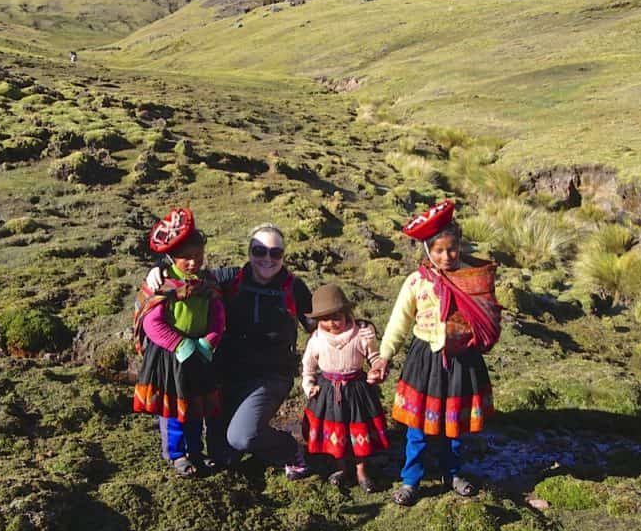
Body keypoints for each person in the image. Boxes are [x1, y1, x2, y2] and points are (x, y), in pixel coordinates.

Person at [371, 199, 502, 506]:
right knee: (417, 428)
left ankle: (452, 472)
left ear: (460, 246)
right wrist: (384, 356)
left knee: (454, 426)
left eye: (452, 249)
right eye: (439, 250)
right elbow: (399, 322)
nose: (447, 256)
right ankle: (411, 479)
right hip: (425, 360)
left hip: (462, 361)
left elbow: (488, 314)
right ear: (429, 250)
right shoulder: (416, 282)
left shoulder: (473, 279)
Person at [205, 223, 314, 479]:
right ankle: (250, 437)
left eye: (275, 253)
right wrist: (159, 269)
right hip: (228, 376)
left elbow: (319, 325)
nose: (267, 259)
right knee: (224, 457)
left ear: (283, 255)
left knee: (242, 437)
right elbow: (185, 275)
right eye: (259, 251)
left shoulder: (293, 287)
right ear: (249, 251)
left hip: (271, 377)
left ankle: (289, 448)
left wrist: (358, 335)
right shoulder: (229, 279)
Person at [132, 208, 225, 477]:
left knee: (196, 406)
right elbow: (151, 321)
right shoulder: (161, 283)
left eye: (198, 257)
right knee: (173, 409)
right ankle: (176, 454)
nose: (194, 263)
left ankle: (196, 451)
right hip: (171, 357)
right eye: (187, 258)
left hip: (200, 353)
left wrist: (209, 342)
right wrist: (179, 344)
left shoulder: (208, 281)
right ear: (172, 257)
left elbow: (219, 313)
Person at [300, 283, 389, 492]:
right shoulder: (316, 340)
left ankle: (361, 471)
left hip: (357, 390)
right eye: (324, 319)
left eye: (336, 317)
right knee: (336, 433)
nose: (331, 324)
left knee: (360, 433)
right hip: (328, 393)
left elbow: (375, 357)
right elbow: (308, 367)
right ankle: (341, 468)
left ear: (347, 313)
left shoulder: (361, 334)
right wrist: (309, 384)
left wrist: (377, 369)